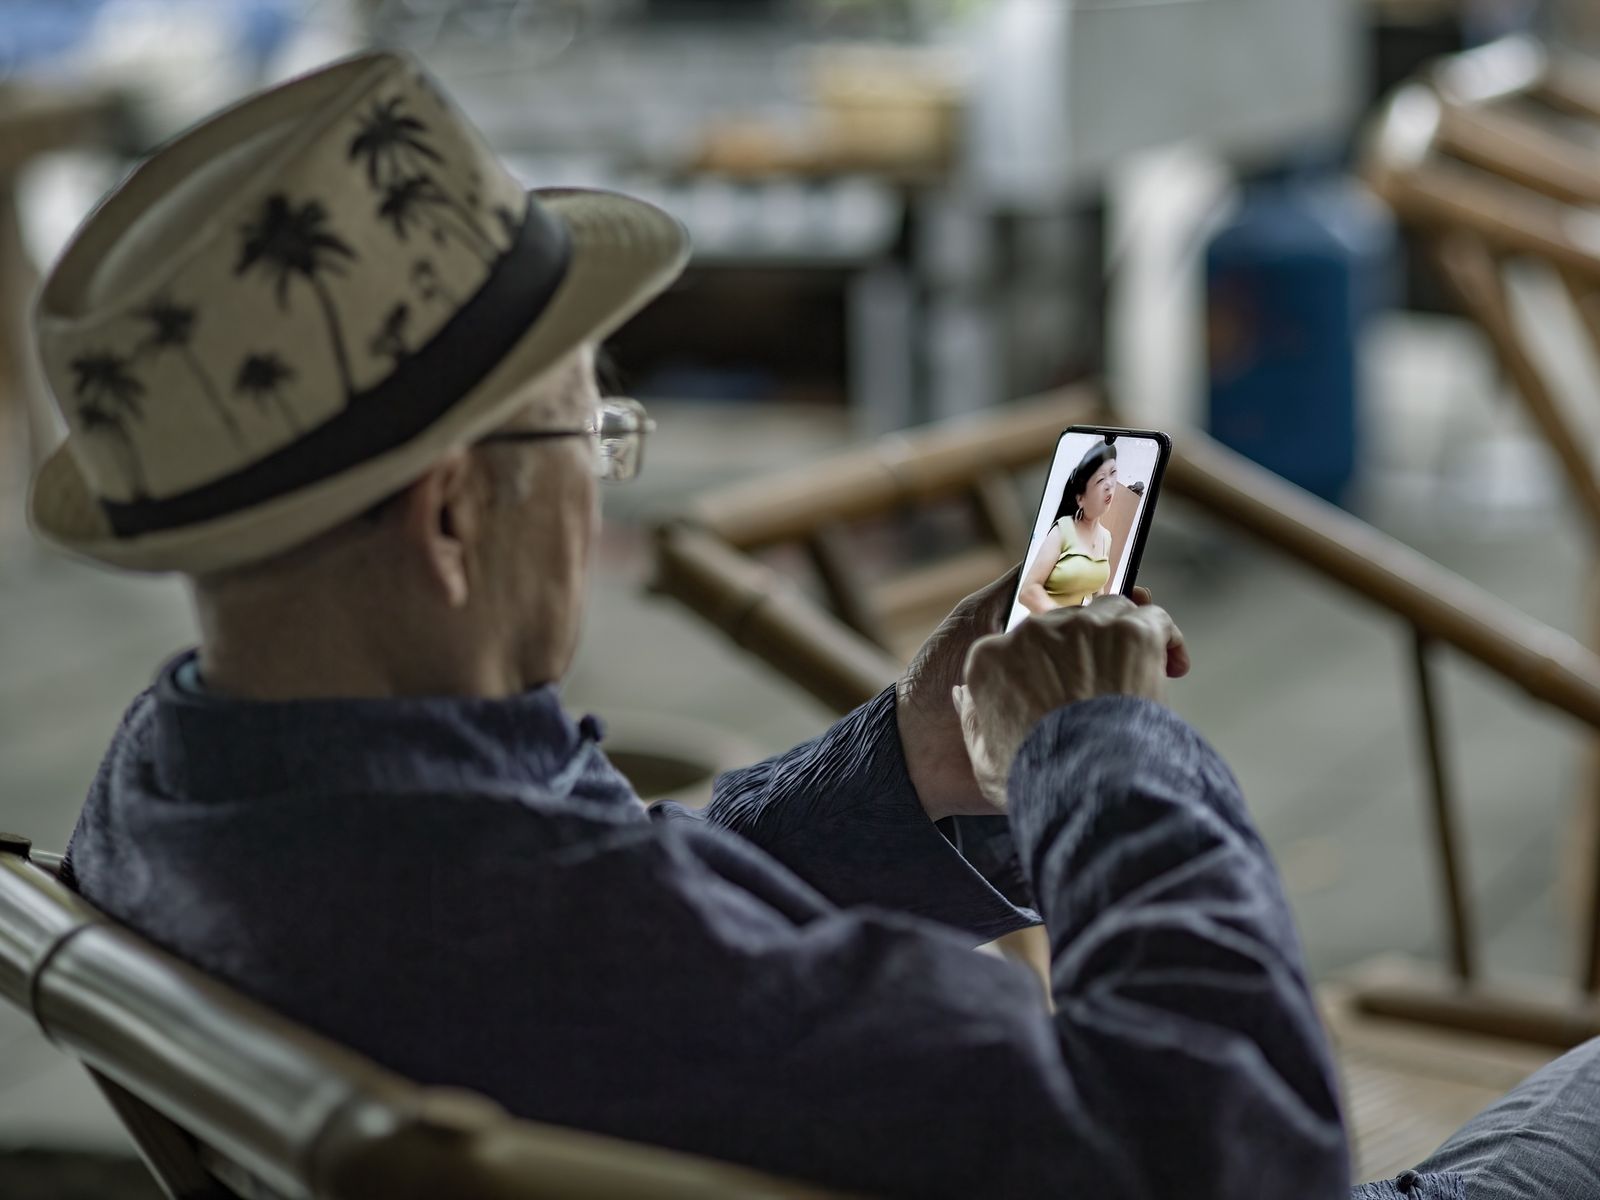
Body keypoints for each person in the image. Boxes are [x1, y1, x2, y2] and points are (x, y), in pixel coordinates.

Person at [32, 53, 1600, 1200]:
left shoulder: (189, 794)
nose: (600, 479)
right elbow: (1240, 1151)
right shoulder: (557, 951)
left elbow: (628, 905)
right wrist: (1098, 747)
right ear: (452, 518)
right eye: (594, 438)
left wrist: (907, 768)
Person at [1018, 440, 1117, 613]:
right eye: (1101, 479)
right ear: (1080, 499)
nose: (1109, 484)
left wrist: (1105, 615)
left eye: (1113, 473)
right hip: (1048, 623)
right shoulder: (1062, 530)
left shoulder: (1106, 537)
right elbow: (1028, 591)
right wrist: (1064, 620)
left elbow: (1096, 590)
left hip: (1078, 625)